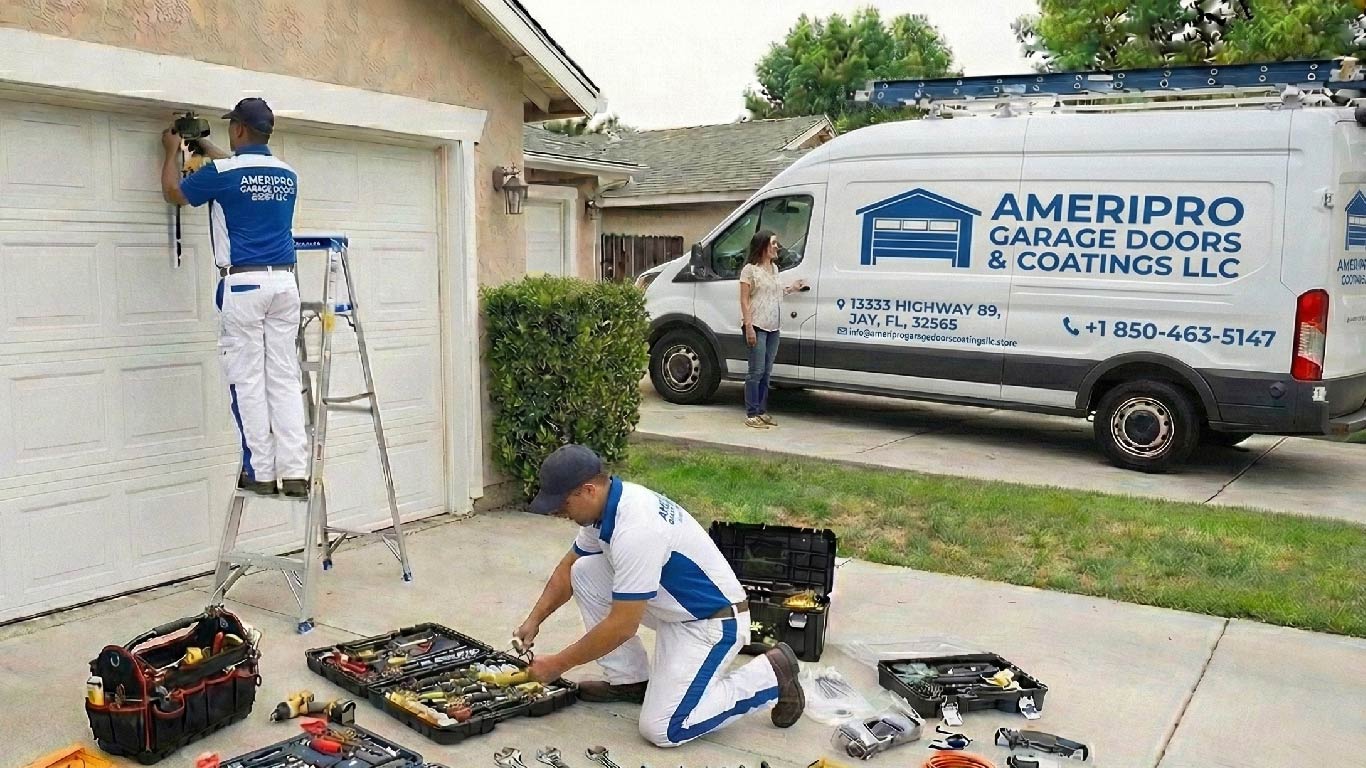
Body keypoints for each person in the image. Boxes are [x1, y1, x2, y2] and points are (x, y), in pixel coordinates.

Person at [514, 444, 805, 747]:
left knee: (664, 729)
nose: (560, 512)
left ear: (588, 491)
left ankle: (770, 674)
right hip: (674, 607)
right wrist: (533, 620)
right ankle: (631, 681)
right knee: (585, 571)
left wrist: (558, 664)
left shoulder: (637, 528)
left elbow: (622, 626)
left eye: (563, 504)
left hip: (711, 623)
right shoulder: (606, 507)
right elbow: (568, 568)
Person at [160, 98, 308, 498]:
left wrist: (172, 150)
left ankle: (260, 471)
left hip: (243, 286)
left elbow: (175, 192)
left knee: (247, 379)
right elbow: (247, 174)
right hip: (285, 285)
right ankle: (295, 471)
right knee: (283, 376)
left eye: (232, 127)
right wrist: (208, 150)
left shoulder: (224, 173)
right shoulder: (286, 173)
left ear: (240, 129)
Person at [739, 230, 806, 429]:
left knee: (767, 372)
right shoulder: (750, 270)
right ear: (763, 246)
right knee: (756, 371)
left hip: (773, 327)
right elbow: (744, 299)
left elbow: (776, 293)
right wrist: (748, 326)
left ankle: (761, 410)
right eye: (774, 243)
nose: (777, 247)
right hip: (757, 325)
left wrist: (792, 288)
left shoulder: (775, 270)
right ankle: (751, 413)